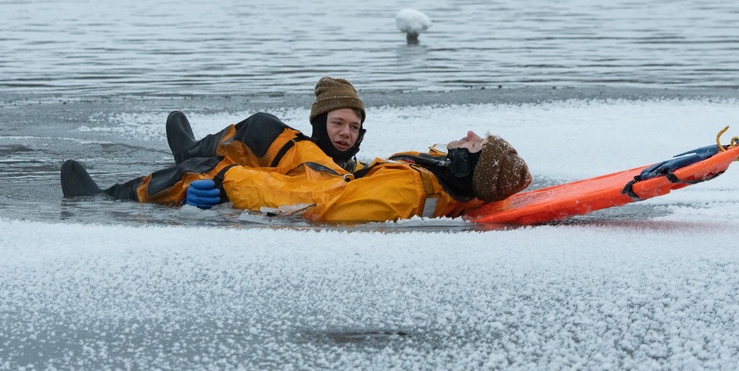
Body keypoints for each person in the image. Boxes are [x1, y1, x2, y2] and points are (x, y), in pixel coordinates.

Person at [60, 129, 532, 224]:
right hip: (335, 175)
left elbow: (319, 210)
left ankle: (108, 197)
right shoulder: (444, 170)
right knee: (266, 130)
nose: (468, 135)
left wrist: (233, 188)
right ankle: (195, 144)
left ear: (472, 166)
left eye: (475, 144)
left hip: (314, 192)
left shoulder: (406, 192)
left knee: (208, 173)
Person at [165, 76, 367, 173]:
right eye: (337, 123)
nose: (345, 133)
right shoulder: (297, 158)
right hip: (254, 150)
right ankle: (191, 152)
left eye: (354, 127)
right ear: (321, 124)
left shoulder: (357, 170)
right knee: (262, 125)